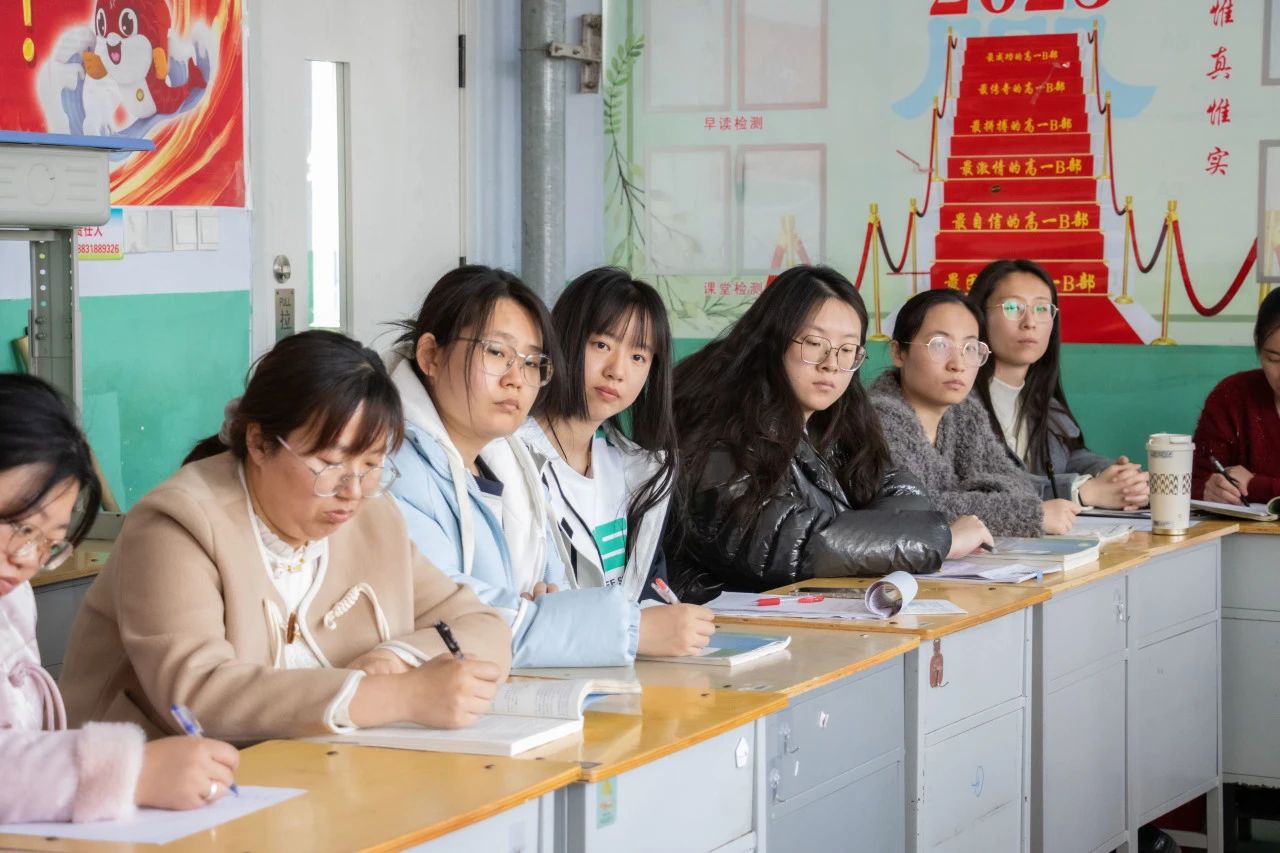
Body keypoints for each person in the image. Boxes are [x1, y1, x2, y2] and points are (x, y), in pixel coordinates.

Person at [59, 331, 512, 742]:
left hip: (308, 773)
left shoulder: (374, 519)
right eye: (329, 464)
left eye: (372, 465)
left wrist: (397, 658)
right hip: (149, 785)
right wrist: (395, 695)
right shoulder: (177, 525)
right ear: (259, 443)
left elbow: (484, 626)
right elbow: (198, 697)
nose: (352, 491)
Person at [665, 264, 987, 601]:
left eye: (847, 350)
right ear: (772, 340)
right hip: (719, 619)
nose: (831, 364)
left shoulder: (836, 419)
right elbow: (784, 542)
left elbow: (903, 490)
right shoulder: (718, 422)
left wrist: (858, 540)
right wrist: (938, 539)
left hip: (802, 611)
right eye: (814, 343)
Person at [1, 374, 238, 822]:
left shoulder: (11, 596)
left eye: (49, 542)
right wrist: (131, 771)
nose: (26, 559)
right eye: (19, 526)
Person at [387, 266, 646, 667]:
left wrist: (537, 617)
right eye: (496, 352)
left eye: (531, 362)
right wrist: (632, 629)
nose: (516, 379)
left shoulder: (515, 463)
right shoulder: (389, 468)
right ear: (430, 356)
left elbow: (559, 593)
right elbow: (452, 621)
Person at [521, 267, 714, 657]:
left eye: (638, 356)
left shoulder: (634, 470)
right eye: (601, 345)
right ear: (563, 339)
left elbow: (645, 590)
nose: (617, 371)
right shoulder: (511, 457)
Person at [870, 289, 1080, 536]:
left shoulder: (965, 413)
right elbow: (915, 510)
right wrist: (1030, 515)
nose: (958, 364)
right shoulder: (877, 419)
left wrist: (960, 499)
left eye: (970, 348)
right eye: (939, 345)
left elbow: (1018, 486)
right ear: (898, 353)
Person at [967, 259, 1149, 510]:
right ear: (979, 317)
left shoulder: (1045, 405)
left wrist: (1118, 478)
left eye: (1042, 308)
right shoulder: (956, 402)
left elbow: (1070, 458)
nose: (1030, 322)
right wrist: (1079, 491)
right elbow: (981, 481)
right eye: (1013, 307)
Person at [1193, 287, 1280, 504]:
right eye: (1274, 360)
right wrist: (1208, 489)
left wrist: (1254, 485)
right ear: (1259, 349)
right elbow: (1191, 481)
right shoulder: (1233, 397)